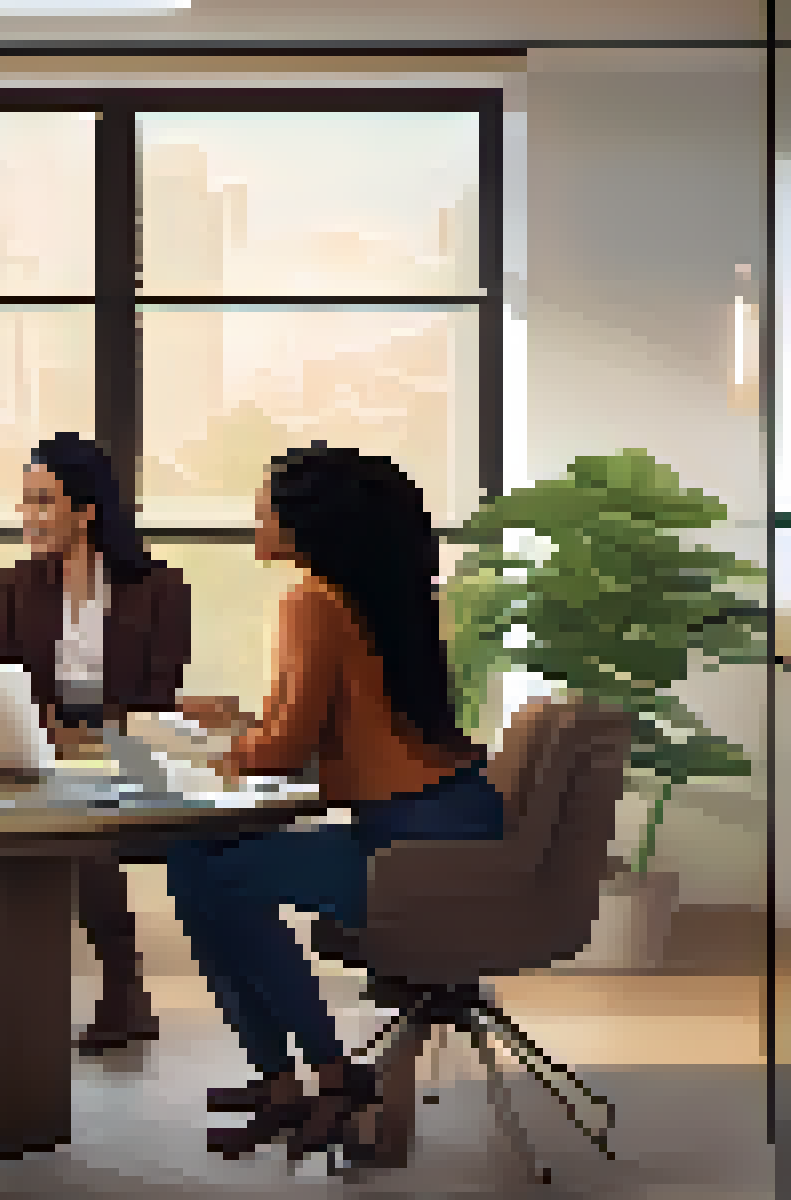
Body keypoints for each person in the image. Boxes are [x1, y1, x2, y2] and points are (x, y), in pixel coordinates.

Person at [168, 443, 504, 1164]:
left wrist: (210, 753)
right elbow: (316, 726)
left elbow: (288, 750)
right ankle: (285, 1080)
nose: (253, 514)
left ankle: (324, 1074)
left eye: (263, 505)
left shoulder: (309, 599)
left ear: (302, 521)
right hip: (451, 817)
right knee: (195, 859)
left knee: (215, 874)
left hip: (418, 844)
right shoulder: (366, 597)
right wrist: (236, 727)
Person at [0, 432, 206, 1055]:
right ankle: (32, 990)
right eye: (24, 502)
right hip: (45, 743)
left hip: (131, 747)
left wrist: (90, 731)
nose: (27, 516)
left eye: (42, 501)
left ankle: (122, 991)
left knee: (86, 826)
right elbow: (3, 676)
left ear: (85, 509)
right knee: (9, 813)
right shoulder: (16, 585)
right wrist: (44, 726)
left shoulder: (160, 588)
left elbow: (159, 692)